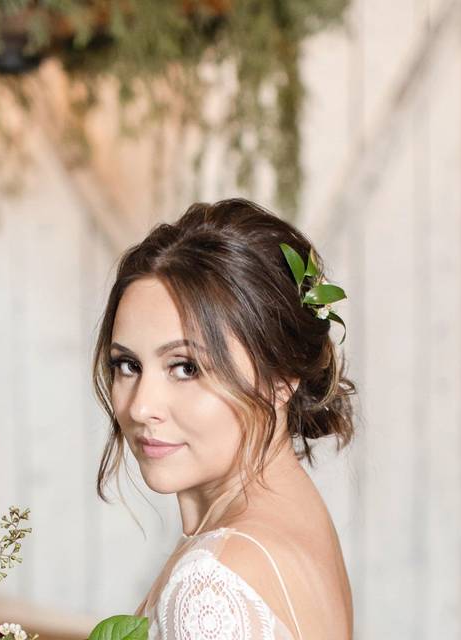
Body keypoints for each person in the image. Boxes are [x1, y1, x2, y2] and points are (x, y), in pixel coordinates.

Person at [91, 198, 356, 640]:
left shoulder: (211, 585)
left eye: (186, 367)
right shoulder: (296, 520)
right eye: (128, 365)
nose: (140, 407)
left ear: (281, 376)